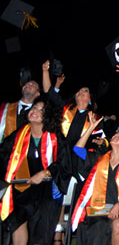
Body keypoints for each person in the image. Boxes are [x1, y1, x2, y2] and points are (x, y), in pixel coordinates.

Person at [0, 97, 67, 245]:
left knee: (42, 221)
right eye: (34, 108)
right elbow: (3, 156)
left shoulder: (56, 138)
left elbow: (65, 164)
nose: (34, 111)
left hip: (46, 191)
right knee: (16, 217)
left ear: (47, 116)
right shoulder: (18, 136)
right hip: (22, 188)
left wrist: (46, 172)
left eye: (40, 110)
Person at [70, 112, 119, 245]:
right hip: (96, 208)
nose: (116, 135)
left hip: (118, 210)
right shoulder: (98, 159)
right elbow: (77, 149)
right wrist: (91, 128)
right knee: (99, 226)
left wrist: (117, 206)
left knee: (118, 223)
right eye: (117, 133)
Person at [0, 79, 42, 143]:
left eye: (32, 85)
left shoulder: (38, 115)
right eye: (26, 84)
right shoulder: (4, 108)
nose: (28, 85)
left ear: (37, 94)